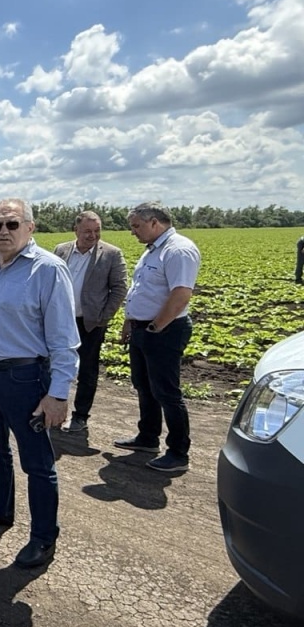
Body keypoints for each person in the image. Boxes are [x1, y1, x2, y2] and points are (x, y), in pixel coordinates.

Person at [0, 198, 80, 569]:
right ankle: (0, 508)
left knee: (37, 463)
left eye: (12, 225)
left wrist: (58, 394)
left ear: (30, 227)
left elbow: (64, 339)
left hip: (25, 376)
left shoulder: (48, 270)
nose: (3, 233)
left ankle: (43, 537)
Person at [115, 201, 201, 473]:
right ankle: (148, 437)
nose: (133, 232)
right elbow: (141, 290)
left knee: (166, 391)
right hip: (143, 329)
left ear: (154, 222)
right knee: (144, 385)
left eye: (136, 226)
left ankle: (178, 452)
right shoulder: (152, 251)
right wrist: (131, 322)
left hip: (164, 330)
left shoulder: (178, 250)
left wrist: (155, 327)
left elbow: (181, 294)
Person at [53, 211, 128, 434]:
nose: (92, 236)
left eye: (96, 231)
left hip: (89, 323)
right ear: (76, 230)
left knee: (87, 370)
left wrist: (103, 318)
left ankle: (80, 416)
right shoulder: (61, 250)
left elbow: (120, 288)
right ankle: (54, 409)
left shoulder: (112, 254)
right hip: (61, 321)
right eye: (87, 231)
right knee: (55, 366)